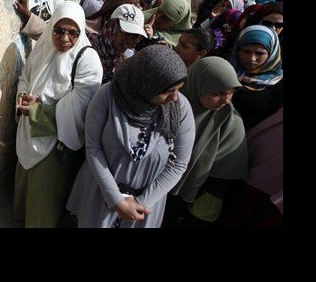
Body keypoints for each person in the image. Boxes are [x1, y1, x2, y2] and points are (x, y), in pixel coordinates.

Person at [66, 45, 195, 228]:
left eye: (178, 89)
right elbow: (93, 148)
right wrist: (116, 200)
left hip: (145, 206)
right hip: (100, 193)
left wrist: (141, 203)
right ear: (146, 85)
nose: (175, 98)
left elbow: (179, 164)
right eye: (167, 91)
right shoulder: (108, 95)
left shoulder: (179, 108)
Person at [14, 1, 103, 227]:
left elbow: (79, 108)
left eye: (73, 33)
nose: (65, 39)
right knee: (26, 185)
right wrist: (24, 93)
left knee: (44, 196)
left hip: (56, 139)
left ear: (81, 32)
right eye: (59, 31)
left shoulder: (88, 61)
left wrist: (37, 110)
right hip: (28, 131)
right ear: (51, 27)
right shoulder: (44, 46)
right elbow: (26, 74)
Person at [165, 57, 247, 227]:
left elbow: (221, 180)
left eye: (231, 92)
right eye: (217, 93)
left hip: (185, 203)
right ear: (196, 85)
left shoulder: (230, 122)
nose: (226, 101)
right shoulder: (168, 104)